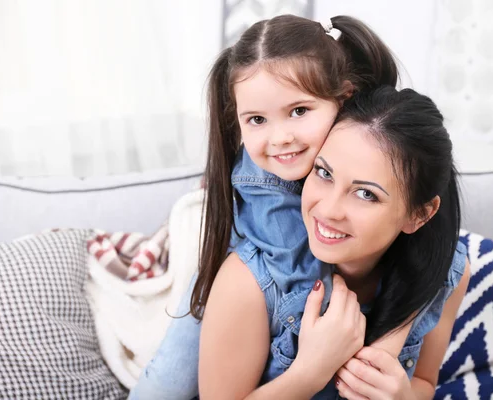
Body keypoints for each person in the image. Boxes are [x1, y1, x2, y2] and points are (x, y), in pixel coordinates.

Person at [130, 14, 399, 399]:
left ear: (345, 97)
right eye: (256, 119)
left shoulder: (367, 152)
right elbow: (309, 289)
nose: (280, 138)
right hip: (227, 289)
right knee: (165, 382)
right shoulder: (267, 189)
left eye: (299, 111)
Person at [199, 86, 470, 399]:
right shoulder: (249, 283)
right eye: (324, 173)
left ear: (419, 215)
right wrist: (309, 373)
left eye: (366, 194)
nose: (327, 210)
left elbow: (424, 381)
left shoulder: (446, 275)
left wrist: (402, 396)